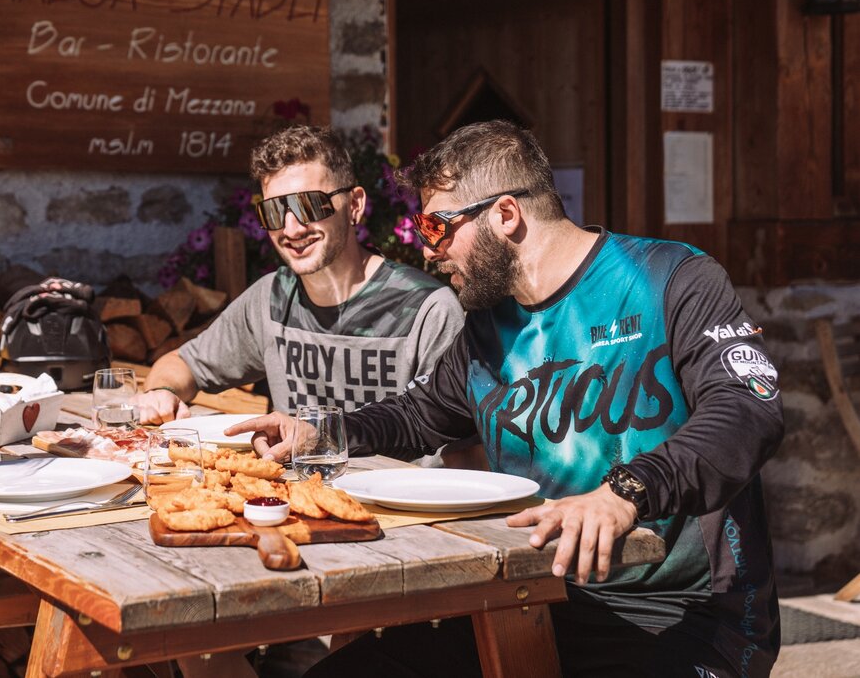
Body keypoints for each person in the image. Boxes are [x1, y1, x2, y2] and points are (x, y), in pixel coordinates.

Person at [236, 120, 784, 677]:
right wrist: (320, 432)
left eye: (436, 227)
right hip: (534, 598)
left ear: (504, 214)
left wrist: (625, 493)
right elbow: (416, 415)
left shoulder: (670, 279)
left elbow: (747, 410)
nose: (429, 252)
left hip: (684, 616)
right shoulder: (486, 327)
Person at [136, 125, 465, 464]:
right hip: (294, 501)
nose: (291, 229)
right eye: (275, 212)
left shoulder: (427, 309)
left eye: (310, 206)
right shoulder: (270, 299)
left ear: (354, 205)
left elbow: (462, 449)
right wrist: (161, 392)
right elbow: (181, 364)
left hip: (401, 509)